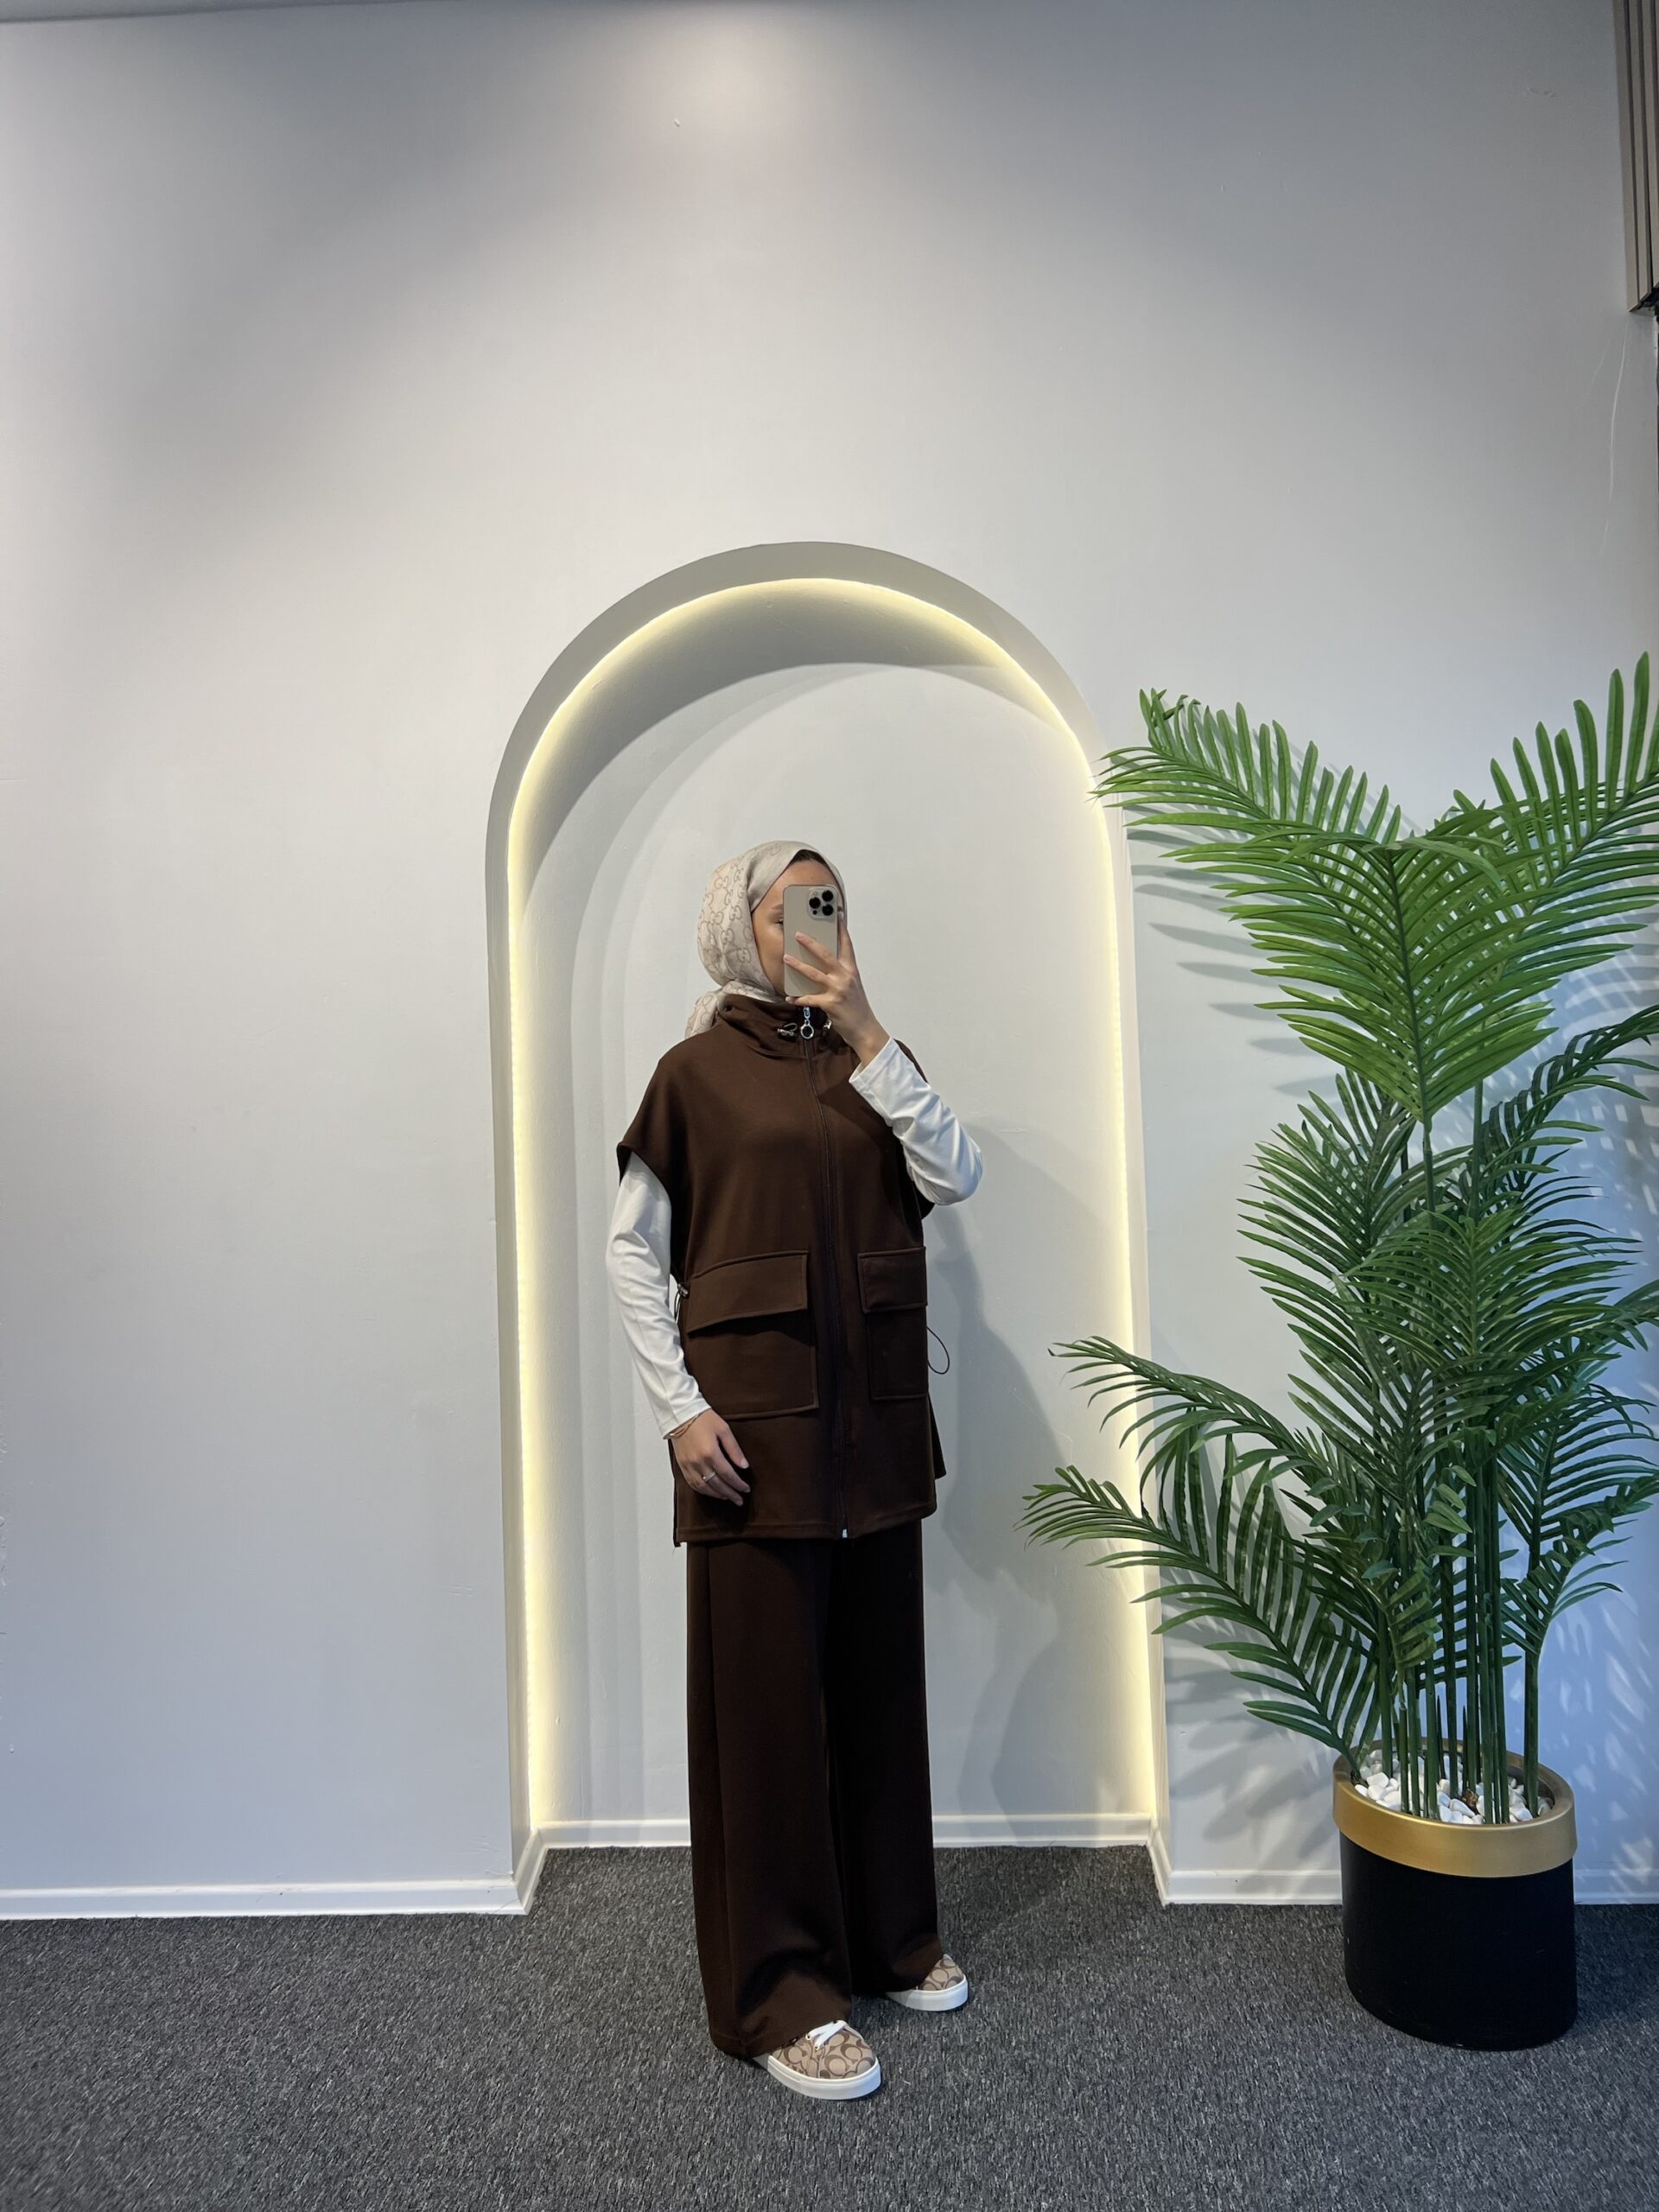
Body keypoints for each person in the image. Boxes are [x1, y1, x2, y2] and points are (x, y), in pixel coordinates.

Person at [606, 839, 984, 2100]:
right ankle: (783, 1993)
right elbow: (632, 1254)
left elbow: (954, 1174)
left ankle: (891, 1940)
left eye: (833, 905)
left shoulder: (873, 1064)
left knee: (879, 1698)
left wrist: (870, 1030)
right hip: (750, 1446)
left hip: (872, 1437)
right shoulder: (692, 1076)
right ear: (741, 930)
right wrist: (678, 1411)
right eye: (793, 909)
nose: (819, 926)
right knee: (765, 1724)